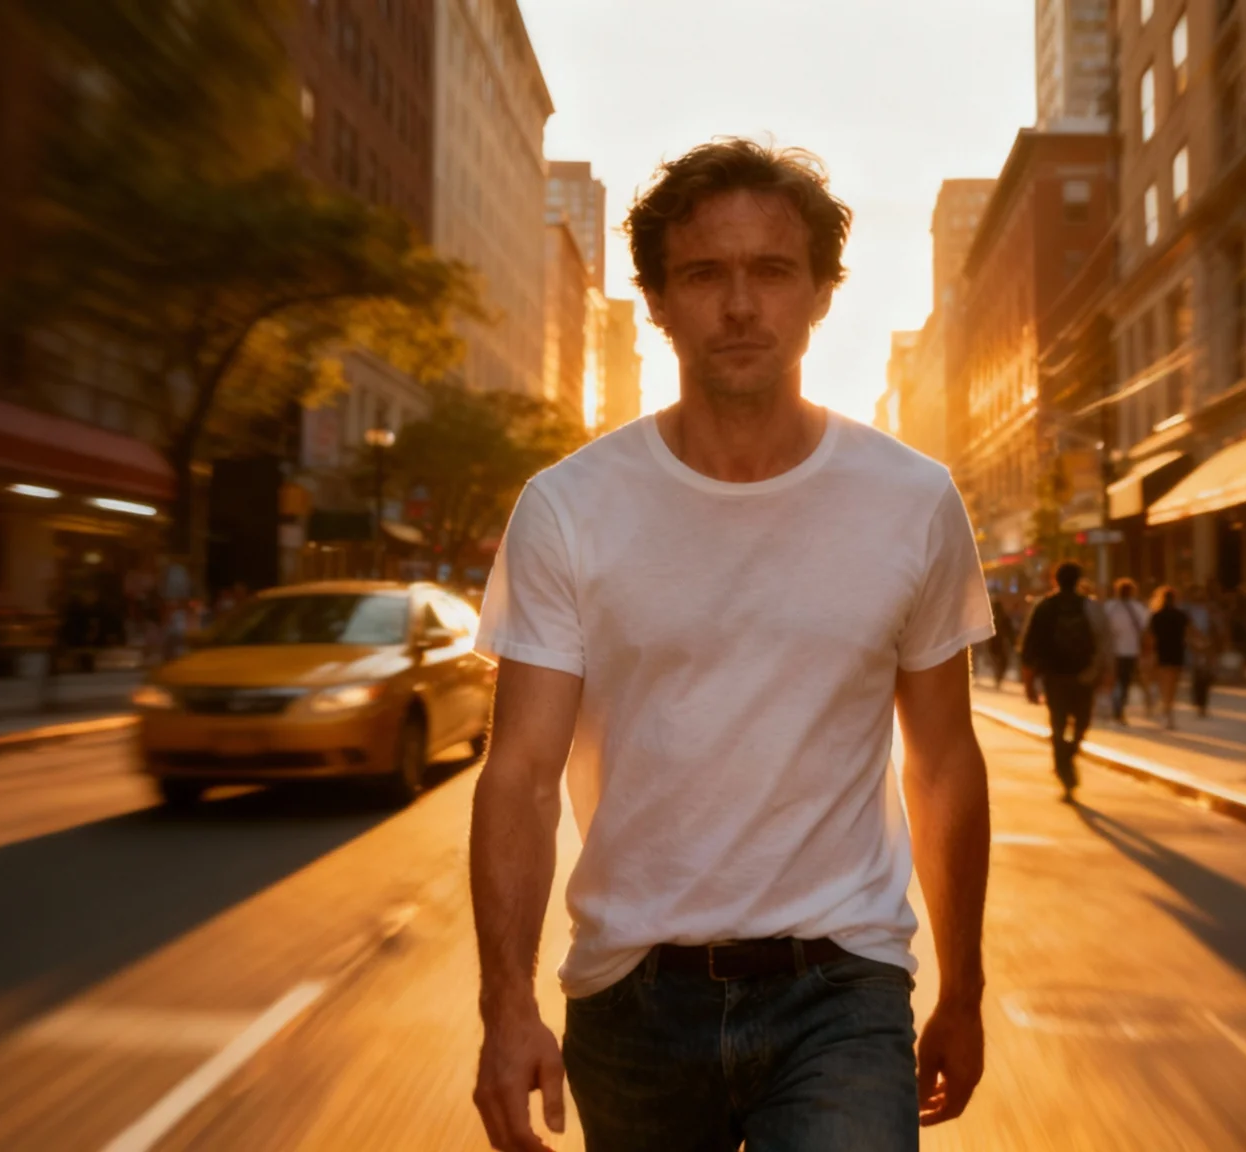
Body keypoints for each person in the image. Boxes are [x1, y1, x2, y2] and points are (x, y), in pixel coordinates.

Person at [469, 139, 990, 1152]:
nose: (740, 304)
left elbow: (942, 762)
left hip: (842, 984)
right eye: (704, 274)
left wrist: (962, 989)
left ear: (821, 293)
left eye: (771, 271)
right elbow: (522, 773)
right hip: (630, 998)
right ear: (659, 301)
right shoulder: (567, 508)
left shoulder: (913, 502)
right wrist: (505, 1006)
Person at [1017, 562, 1112, 801]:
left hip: (1054, 677)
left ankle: (1065, 771)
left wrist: (1028, 683)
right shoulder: (1091, 608)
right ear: (1079, 580)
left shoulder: (1044, 607)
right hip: (1084, 676)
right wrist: (1106, 672)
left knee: (1058, 726)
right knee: (1082, 722)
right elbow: (1105, 641)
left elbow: (1029, 647)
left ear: (1054, 580)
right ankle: (1071, 753)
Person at [1102, 578, 1151, 724]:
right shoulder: (1138, 608)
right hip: (1131, 650)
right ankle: (1119, 709)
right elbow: (1145, 629)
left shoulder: (1109, 607)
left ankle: (1114, 707)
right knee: (1124, 681)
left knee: (1114, 679)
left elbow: (1103, 628)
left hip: (1112, 651)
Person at [1147, 586, 1191, 730]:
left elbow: (1150, 636)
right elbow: (1189, 632)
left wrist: (1150, 653)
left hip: (1161, 652)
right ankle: (1168, 710)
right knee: (1173, 683)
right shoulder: (1180, 615)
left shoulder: (1156, 615)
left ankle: (1166, 710)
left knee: (1164, 683)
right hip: (1177, 652)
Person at [1181, 584, 1216, 717]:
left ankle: (1203, 704)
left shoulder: (1210, 609)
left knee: (1206, 676)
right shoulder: (1186, 610)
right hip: (1193, 647)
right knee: (1196, 675)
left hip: (1207, 646)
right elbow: (1185, 629)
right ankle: (1198, 702)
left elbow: (1216, 628)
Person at [989, 598, 1017, 690]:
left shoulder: (992, 618)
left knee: (1000, 662)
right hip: (999, 644)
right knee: (1002, 662)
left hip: (996, 644)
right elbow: (1010, 632)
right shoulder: (995, 618)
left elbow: (1009, 631)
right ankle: (998, 677)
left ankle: (998, 677)